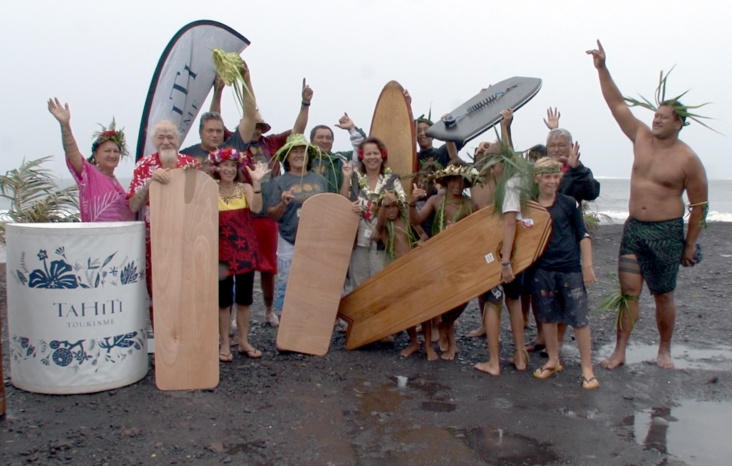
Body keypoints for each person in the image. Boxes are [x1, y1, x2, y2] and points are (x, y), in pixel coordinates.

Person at [587, 40, 708, 369]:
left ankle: (664, 350)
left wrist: (690, 244)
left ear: (679, 123)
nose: (656, 120)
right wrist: (602, 68)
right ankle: (619, 350)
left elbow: (700, 206)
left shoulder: (689, 160)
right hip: (634, 231)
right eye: (655, 115)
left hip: (667, 233)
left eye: (664, 117)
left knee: (663, 295)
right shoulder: (640, 137)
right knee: (628, 293)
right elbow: (617, 105)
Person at [222, 75, 313, 327]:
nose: (255, 129)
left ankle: (269, 311)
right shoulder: (235, 143)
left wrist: (305, 104)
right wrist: (218, 92)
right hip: (241, 213)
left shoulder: (271, 144)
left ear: (263, 129)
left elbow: (298, 131)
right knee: (236, 264)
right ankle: (231, 313)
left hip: (268, 214)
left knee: (268, 266)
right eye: (252, 125)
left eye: (259, 126)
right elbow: (215, 124)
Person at [528, 157, 599, 389]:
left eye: (556, 176)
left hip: (570, 269)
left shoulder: (569, 203)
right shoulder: (530, 207)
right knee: (547, 318)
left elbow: (583, 234)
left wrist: (586, 265)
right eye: (547, 176)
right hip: (542, 270)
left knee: (579, 320)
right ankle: (553, 359)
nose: (551, 181)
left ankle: (587, 368)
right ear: (537, 178)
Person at [128, 120, 201, 323]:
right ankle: (161, 340)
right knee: (158, 287)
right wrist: (151, 183)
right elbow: (133, 205)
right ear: (154, 141)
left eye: (170, 137)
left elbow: (202, 202)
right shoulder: (144, 166)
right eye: (161, 137)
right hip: (155, 240)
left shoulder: (191, 164)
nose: (166, 141)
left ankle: (188, 336)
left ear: (178, 140)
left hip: (186, 237)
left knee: (188, 288)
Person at [410, 162, 480, 360]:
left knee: (461, 298)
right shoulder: (435, 200)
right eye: (453, 180)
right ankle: (447, 337)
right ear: (447, 181)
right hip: (437, 255)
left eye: (462, 181)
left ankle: (446, 325)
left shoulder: (470, 205)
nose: (457, 184)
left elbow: (478, 233)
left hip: (460, 256)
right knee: (437, 296)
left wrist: (459, 232)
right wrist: (412, 203)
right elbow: (415, 221)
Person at [210, 147, 270, 361]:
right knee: (223, 300)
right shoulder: (209, 188)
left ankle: (244, 341)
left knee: (245, 299)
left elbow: (256, 208)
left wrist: (257, 183)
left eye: (232, 166)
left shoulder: (244, 187)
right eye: (225, 165)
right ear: (217, 167)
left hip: (244, 250)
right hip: (220, 253)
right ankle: (224, 343)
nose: (228, 169)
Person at [266, 134, 327, 316]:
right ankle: (285, 326)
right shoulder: (278, 182)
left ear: (309, 157)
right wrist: (283, 203)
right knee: (286, 284)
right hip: (288, 240)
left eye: (303, 151)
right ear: (287, 157)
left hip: (316, 241)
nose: (299, 155)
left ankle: (310, 324)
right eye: (295, 152)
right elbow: (271, 215)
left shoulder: (320, 180)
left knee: (313, 283)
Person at [47, 98, 134, 222]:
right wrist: (65, 126)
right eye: (107, 151)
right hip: (95, 238)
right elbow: (72, 152)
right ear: (96, 155)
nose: (112, 155)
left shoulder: (116, 183)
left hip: (116, 238)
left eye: (116, 151)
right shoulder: (89, 174)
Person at [340, 138, 406, 289]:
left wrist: (392, 202)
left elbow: (402, 203)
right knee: (359, 282)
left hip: (383, 237)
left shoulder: (392, 179)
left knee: (382, 281)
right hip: (358, 239)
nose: (372, 157)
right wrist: (346, 178)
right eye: (368, 154)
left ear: (382, 156)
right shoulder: (354, 178)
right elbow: (343, 201)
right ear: (362, 157)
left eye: (375, 153)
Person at [309, 115, 366, 193]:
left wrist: (351, 128)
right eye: (320, 137)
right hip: (310, 204)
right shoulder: (305, 161)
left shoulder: (341, 159)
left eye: (328, 138)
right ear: (311, 141)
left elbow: (363, 149)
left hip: (337, 203)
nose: (325, 141)